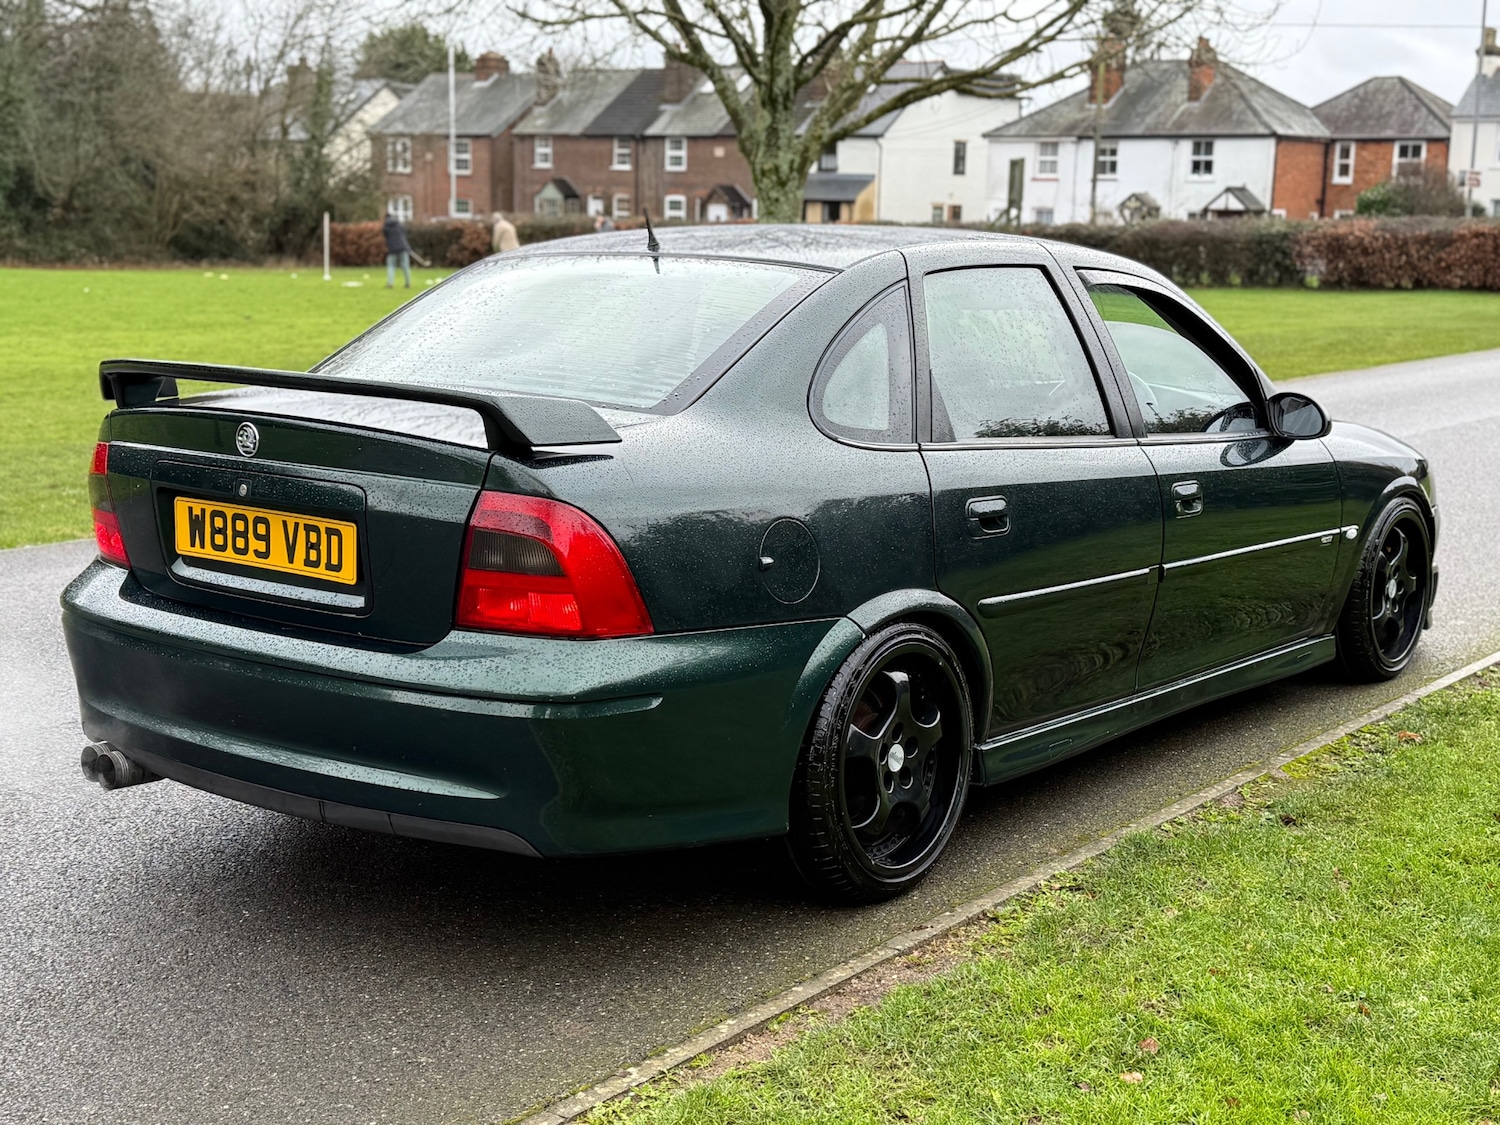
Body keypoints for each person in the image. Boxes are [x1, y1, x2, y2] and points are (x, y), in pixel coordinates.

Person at [382, 212, 411, 289]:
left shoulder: (385, 227)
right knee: (405, 265)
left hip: (392, 249)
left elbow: (386, 237)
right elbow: (404, 234)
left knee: (391, 266)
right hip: (403, 247)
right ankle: (408, 283)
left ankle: (390, 283)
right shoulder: (399, 224)